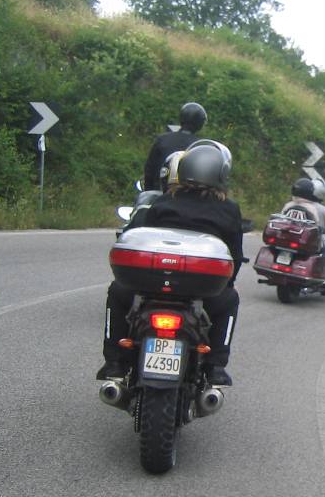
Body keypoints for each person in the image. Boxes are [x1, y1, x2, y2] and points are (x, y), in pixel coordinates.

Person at [100, 140, 245, 387]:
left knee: (117, 292)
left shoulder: (165, 201)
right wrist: (227, 283)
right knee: (229, 300)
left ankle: (114, 362)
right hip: (200, 288)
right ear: (221, 174)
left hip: (155, 283)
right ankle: (216, 366)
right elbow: (235, 255)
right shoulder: (228, 209)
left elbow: (145, 237)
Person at [280, 177, 325, 287]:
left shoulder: (288, 205)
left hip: (288, 235)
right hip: (305, 238)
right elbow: (316, 224)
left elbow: (282, 219)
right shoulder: (315, 208)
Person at [142, 102, 208, 191]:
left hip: (160, 192)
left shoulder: (162, 139)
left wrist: (149, 191)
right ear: (200, 123)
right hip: (189, 195)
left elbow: (149, 171)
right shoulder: (200, 145)